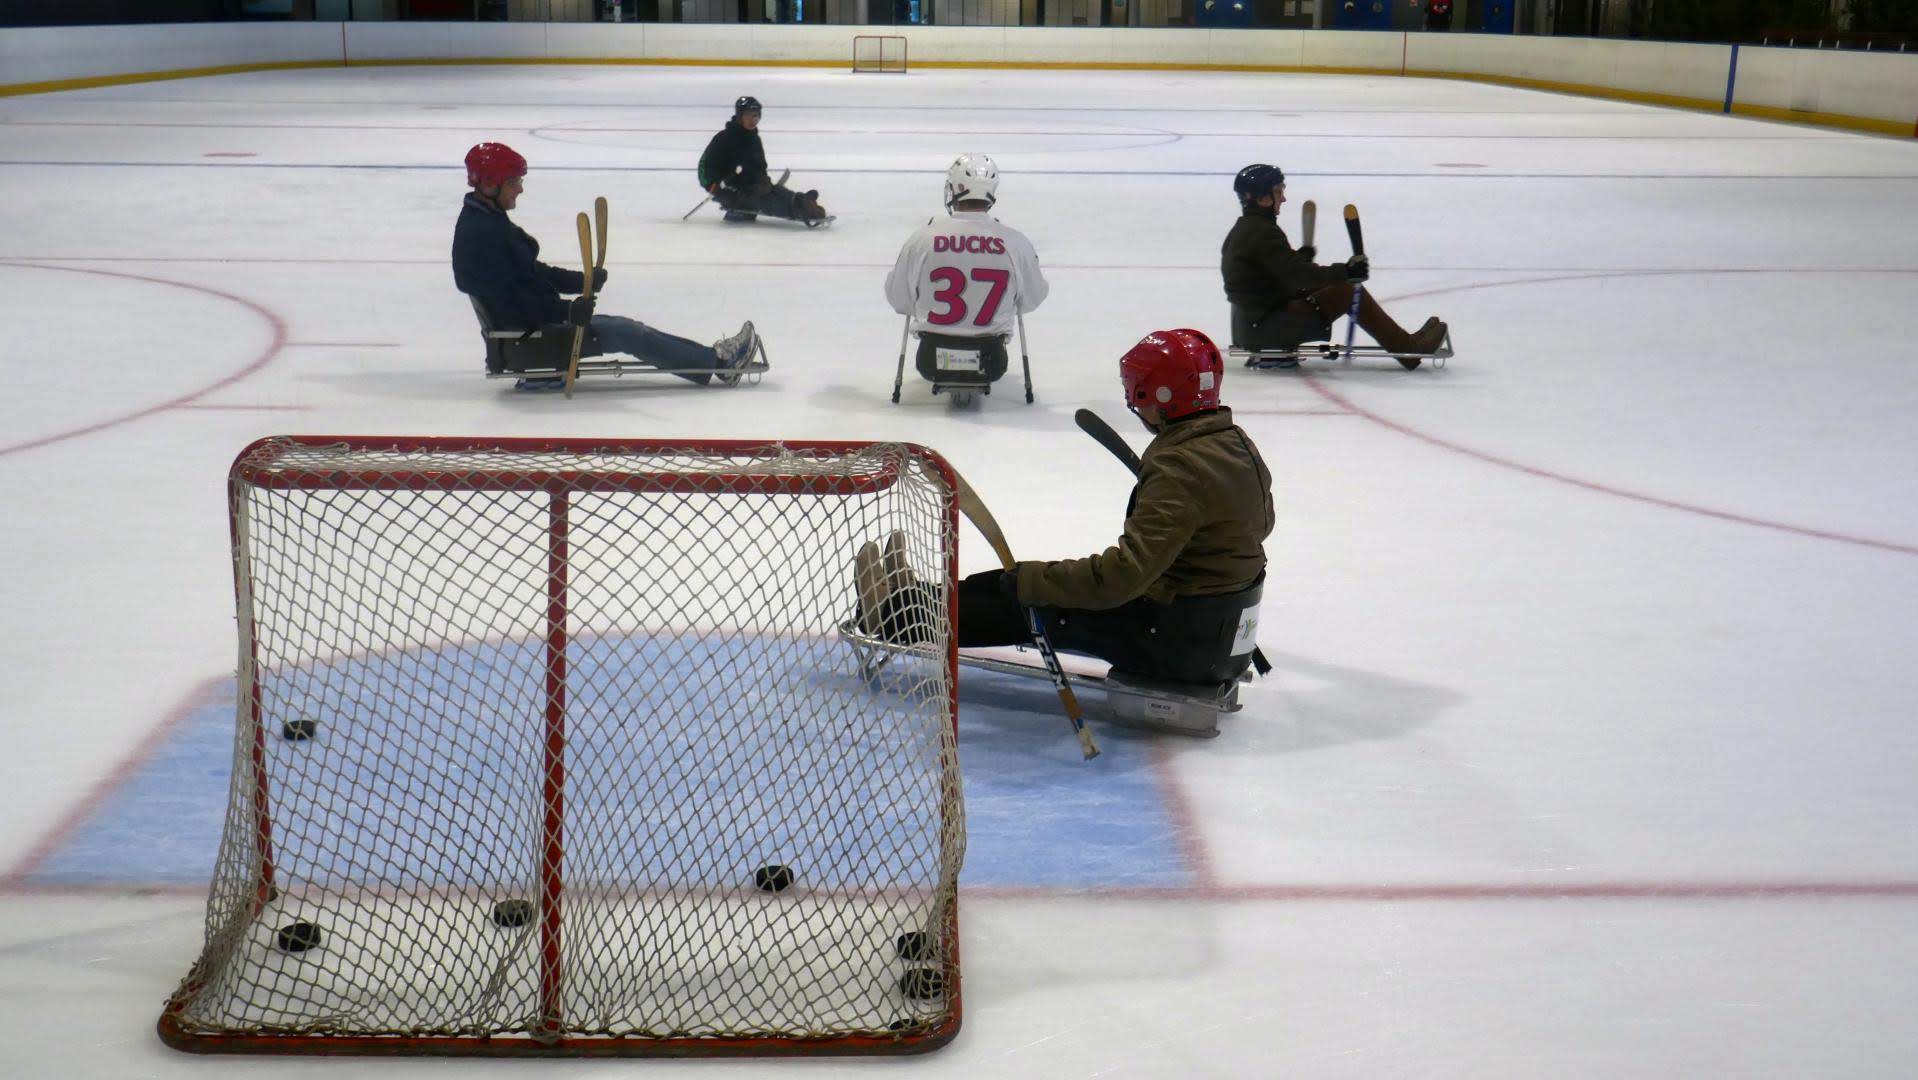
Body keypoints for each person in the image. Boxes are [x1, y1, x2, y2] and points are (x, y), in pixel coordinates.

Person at [855, 329, 1271, 687]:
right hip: (1208, 633)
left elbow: (1122, 578)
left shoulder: (1179, 467)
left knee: (1026, 600)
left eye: (1136, 389)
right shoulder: (1231, 444)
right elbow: (1247, 530)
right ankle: (914, 596)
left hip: (1171, 641)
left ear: (1163, 395)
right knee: (1016, 584)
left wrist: (1031, 581)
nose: (1132, 399)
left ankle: (892, 615)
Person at [453, 142, 762, 390]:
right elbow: (510, 303)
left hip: (531, 333)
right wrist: (566, 311)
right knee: (626, 331)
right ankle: (719, 364)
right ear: (490, 184)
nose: (520, 189)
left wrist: (581, 281)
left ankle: (710, 358)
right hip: (530, 343)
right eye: (514, 182)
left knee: (624, 326)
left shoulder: (488, 222)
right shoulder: (482, 235)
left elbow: (531, 273)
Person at [1221, 163, 1447, 370]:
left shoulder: (1246, 229)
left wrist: (1301, 257)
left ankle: (1405, 343)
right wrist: (1346, 272)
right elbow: (1297, 276)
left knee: (1330, 285)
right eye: (1279, 191)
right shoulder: (1263, 233)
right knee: (1347, 290)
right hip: (1265, 328)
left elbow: (1272, 273)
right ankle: (1410, 350)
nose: (1284, 198)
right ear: (1263, 199)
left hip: (1252, 324)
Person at [883, 154, 1049, 392]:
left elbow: (899, 298)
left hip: (931, 362)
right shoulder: (1014, 242)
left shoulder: (922, 239)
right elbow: (1032, 298)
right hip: (991, 362)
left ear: (955, 189)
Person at [697, 97, 830, 226]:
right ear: (739, 116)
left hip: (745, 184)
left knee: (774, 191)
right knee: (763, 200)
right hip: (727, 189)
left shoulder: (754, 139)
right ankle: (800, 209)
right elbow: (704, 168)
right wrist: (718, 192)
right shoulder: (724, 138)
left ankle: (799, 200)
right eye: (748, 115)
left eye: (756, 116)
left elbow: (759, 167)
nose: (752, 120)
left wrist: (762, 180)